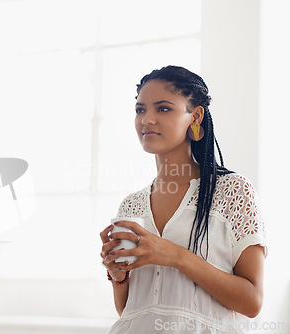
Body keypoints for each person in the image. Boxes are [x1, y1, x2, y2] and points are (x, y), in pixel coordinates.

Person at [99, 66, 267, 333]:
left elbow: (252, 302)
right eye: (140, 110)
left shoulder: (232, 191)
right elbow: (131, 311)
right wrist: (118, 278)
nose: (147, 120)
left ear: (195, 116)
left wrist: (176, 256)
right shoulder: (131, 205)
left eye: (163, 108)